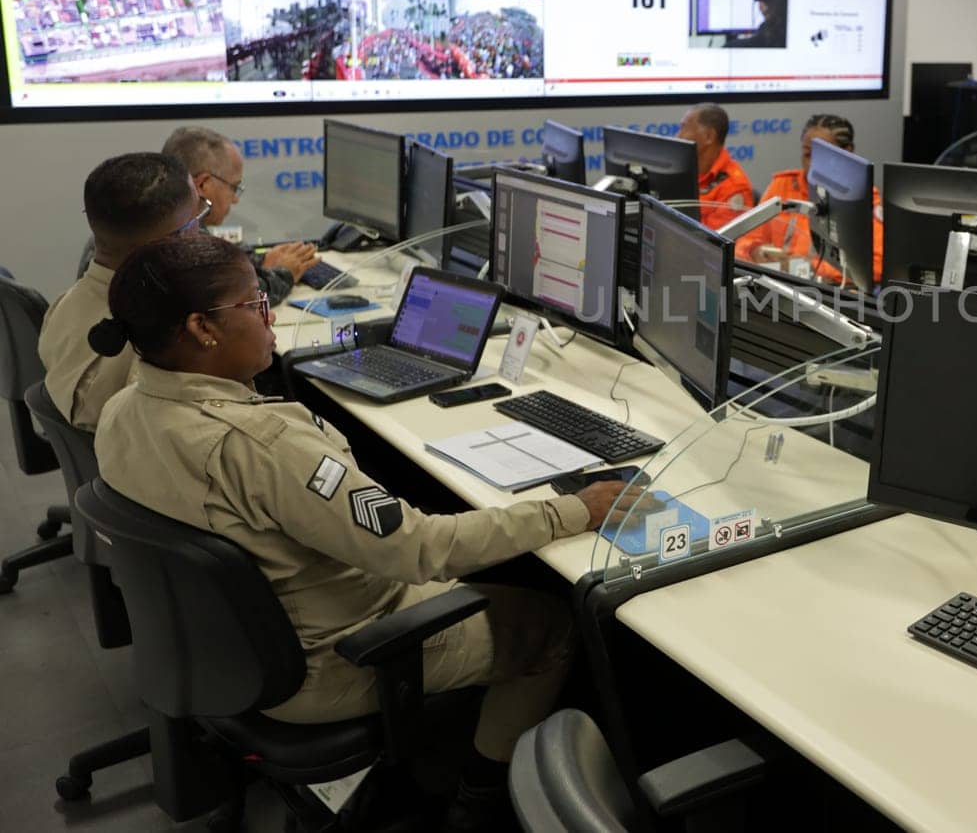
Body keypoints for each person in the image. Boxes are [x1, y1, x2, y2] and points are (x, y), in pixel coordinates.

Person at [91, 232, 642, 830]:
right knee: (555, 624)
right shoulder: (264, 447)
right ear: (202, 328)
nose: (270, 314)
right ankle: (477, 800)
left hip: (219, 647)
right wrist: (574, 510)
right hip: (334, 658)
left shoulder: (124, 407)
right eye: (255, 304)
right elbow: (421, 550)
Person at [41, 153, 206, 432]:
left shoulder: (61, 308)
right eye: (197, 220)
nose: (201, 233)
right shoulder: (161, 346)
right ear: (171, 242)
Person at [76, 126, 321, 304]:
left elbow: (215, 262)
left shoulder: (135, 221)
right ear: (203, 185)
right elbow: (238, 297)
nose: (235, 198)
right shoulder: (175, 238)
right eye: (234, 187)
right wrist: (284, 271)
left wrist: (263, 259)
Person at [733, 114, 883, 286]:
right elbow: (745, 240)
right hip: (776, 285)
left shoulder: (863, 200)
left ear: (847, 152)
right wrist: (755, 250)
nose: (812, 165)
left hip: (827, 292)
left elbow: (876, 266)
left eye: (820, 156)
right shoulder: (783, 185)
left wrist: (805, 267)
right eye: (807, 154)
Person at [676, 103, 756, 232]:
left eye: (684, 128)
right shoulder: (681, 169)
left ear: (709, 136)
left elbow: (713, 244)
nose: (678, 136)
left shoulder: (734, 187)